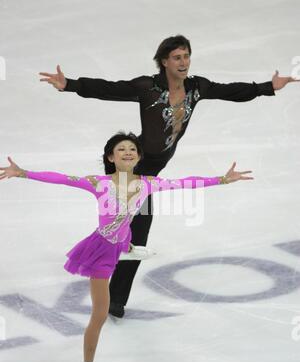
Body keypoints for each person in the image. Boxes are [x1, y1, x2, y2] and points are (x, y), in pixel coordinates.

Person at [39, 35, 298, 318]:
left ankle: (110, 280)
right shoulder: (148, 87)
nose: (184, 62)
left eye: (186, 56)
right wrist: (70, 85)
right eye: (177, 57)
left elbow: (230, 91)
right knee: (136, 233)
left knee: (132, 234)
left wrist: (267, 87)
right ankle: (112, 294)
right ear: (164, 61)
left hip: (151, 171)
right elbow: (111, 89)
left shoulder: (196, 88)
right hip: (132, 169)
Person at [0, 132, 252, 362]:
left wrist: (222, 179)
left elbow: (184, 183)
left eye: (132, 148)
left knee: (126, 232)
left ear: (139, 156)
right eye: (121, 149)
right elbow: (61, 178)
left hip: (119, 241)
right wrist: (23, 173)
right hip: (100, 252)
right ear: (111, 157)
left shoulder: (147, 184)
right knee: (99, 316)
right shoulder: (99, 183)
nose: (128, 152)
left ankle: (128, 249)